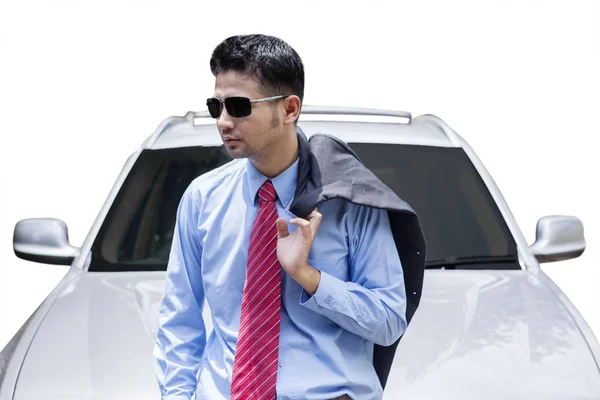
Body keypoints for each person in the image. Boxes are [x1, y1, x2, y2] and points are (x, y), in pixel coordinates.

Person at [153, 34, 408, 400]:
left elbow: (388, 321)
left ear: (289, 109)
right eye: (216, 105)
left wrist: (310, 278)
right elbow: (180, 321)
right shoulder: (202, 199)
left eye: (239, 106)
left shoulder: (350, 200)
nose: (224, 121)